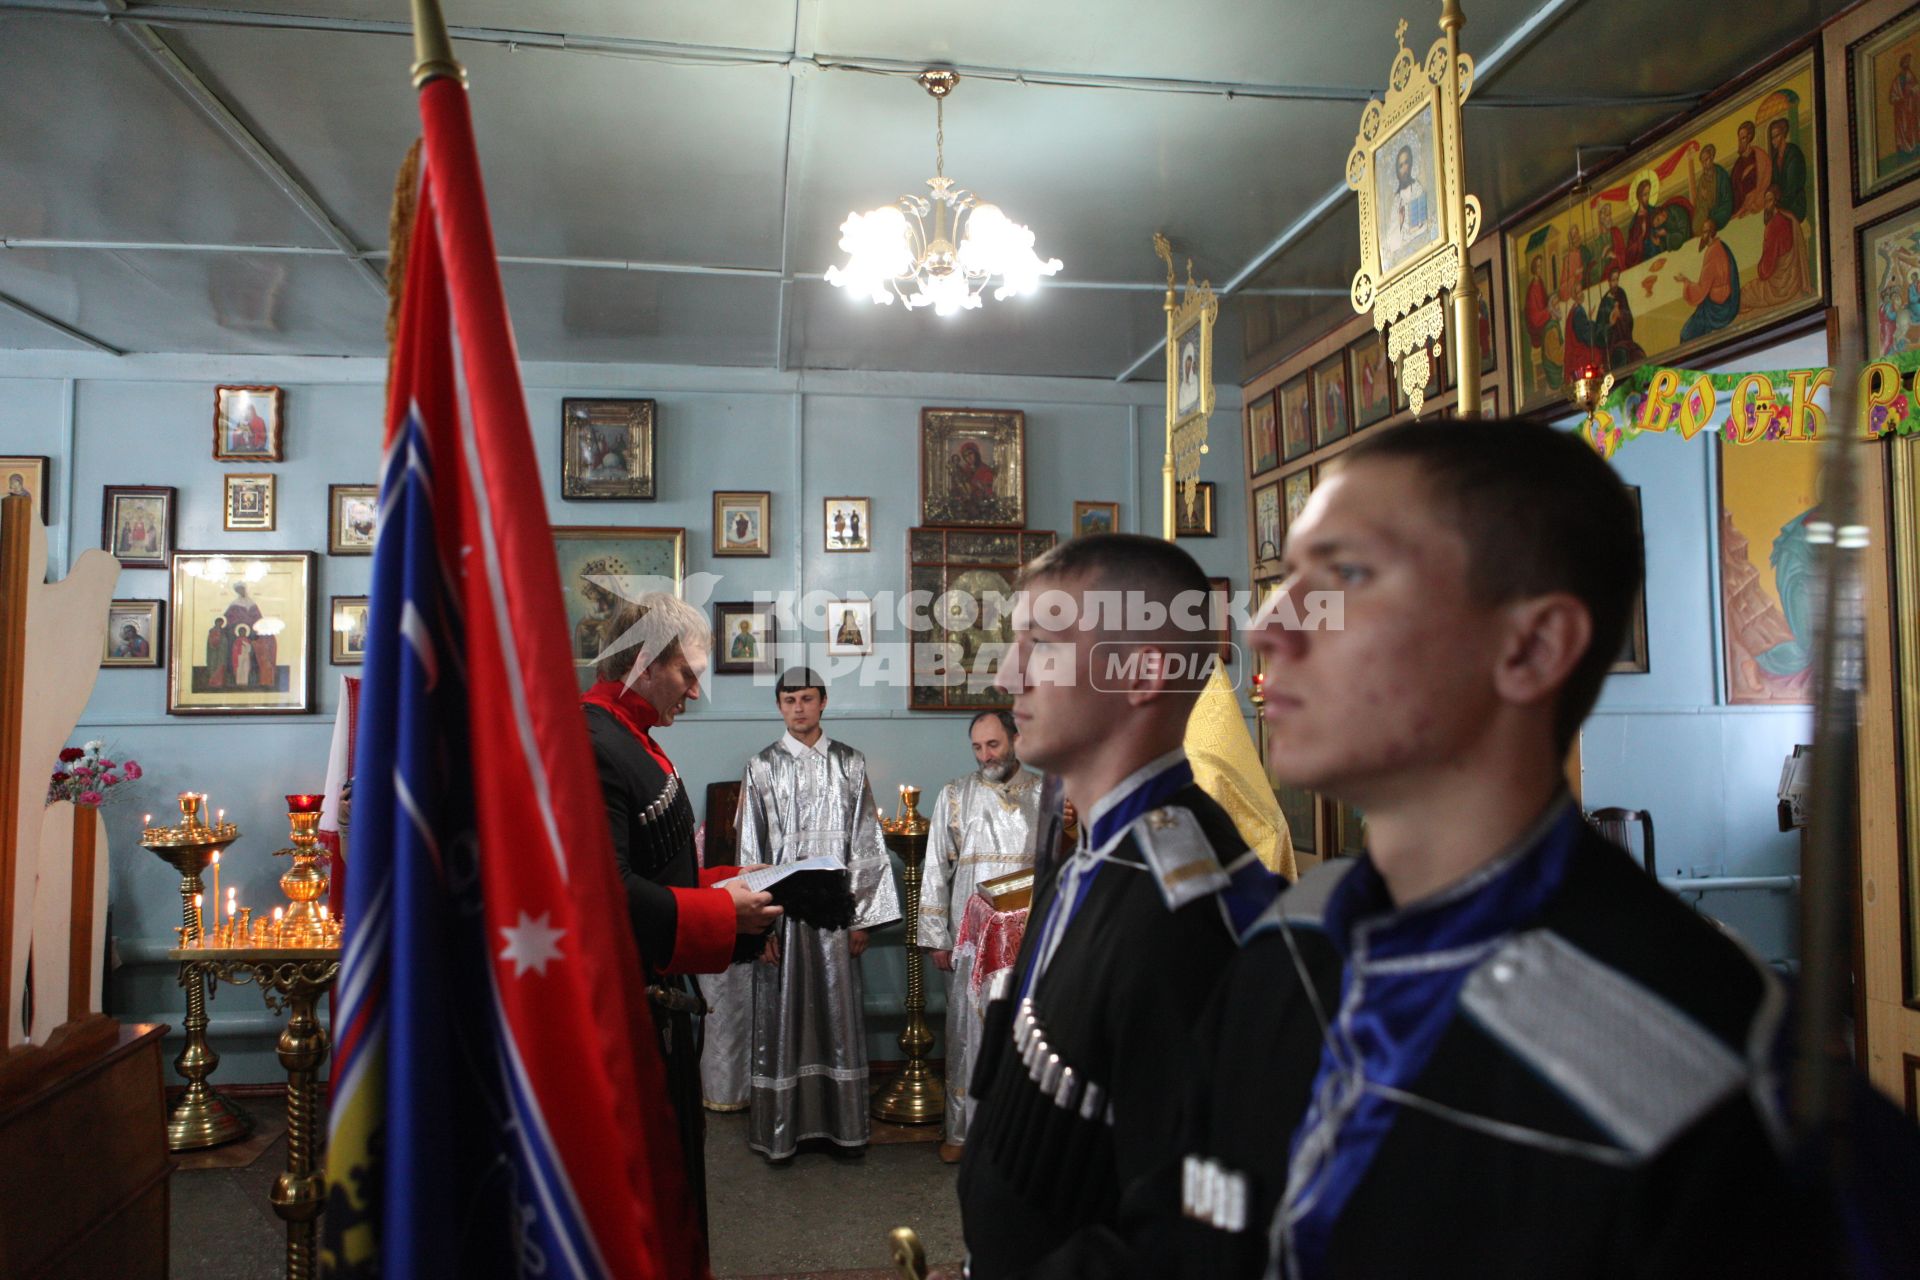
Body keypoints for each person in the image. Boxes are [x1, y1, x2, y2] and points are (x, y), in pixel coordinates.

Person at [1047, 419, 1855, 1279]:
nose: (1268, 627)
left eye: (1347, 576)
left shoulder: (1704, 1080)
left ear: (1530, 647)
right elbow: (1176, 1245)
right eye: (1290, 581)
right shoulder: (1295, 942)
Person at [957, 534, 1280, 1279]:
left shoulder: (1186, 911)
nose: (1007, 674)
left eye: (1038, 645)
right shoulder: (1103, 846)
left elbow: (1188, 1234)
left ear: (1143, 672)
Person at [582, 593, 781, 1254]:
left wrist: (735, 886)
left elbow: (658, 871)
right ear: (642, 661)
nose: (695, 693)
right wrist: (722, 911)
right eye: (687, 674)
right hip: (623, 1009)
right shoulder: (594, 739)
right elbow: (603, 890)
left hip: (659, 998)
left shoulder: (630, 737)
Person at [736, 667, 901, 1161]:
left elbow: (866, 841)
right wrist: (755, 926)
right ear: (779, 706)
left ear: (823, 702)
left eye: (807, 699)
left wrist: (861, 918)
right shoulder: (761, 766)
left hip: (835, 910)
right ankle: (782, 1133)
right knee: (781, 1010)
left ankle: (842, 1130)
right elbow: (751, 847)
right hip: (781, 909)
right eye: (789, 700)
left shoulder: (850, 762)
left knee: (836, 1009)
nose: (798, 708)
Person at [917, 709, 1044, 1163]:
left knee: (1028, 1031)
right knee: (966, 1033)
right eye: (977, 747)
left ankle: (1026, 1134)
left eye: (993, 744)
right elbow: (935, 868)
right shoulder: (955, 794)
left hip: (1029, 937)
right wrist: (937, 936)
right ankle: (963, 1131)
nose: (985, 755)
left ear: (1016, 740)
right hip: (970, 939)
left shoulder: (1048, 794)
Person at [1742, 185, 1813, 314]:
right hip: (1793, 280)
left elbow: (1766, 271)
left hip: (1780, 287)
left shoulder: (1773, 226)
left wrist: (1760, 268)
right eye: (1765, 201)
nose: (1766, 205)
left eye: (1769, 200)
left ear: (1775, 201)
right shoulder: (1787, 217)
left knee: (1744, 293)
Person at [1678, 217, 1742, 342]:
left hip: (1716, 309)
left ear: (1711, 233)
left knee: (1685, 335)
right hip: (1727, 301)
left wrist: (1686, 282)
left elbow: (1701, 291)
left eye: (1705, 232)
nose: (1703, 235)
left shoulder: (1712, 254)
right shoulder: (1721, 245)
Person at [1768, 117, 1809, 223]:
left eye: (1776, 136)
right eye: (1772, 138)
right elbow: (1773, 183)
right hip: (1780, 202)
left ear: (1784, 134)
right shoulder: (1775, 158)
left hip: (1795, 203)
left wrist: (1779, 205)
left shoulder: (1793, 153)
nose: (1774, 141)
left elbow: (1793, 187)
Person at [1731, 119, 1771, 217]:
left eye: (1743, 138)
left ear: (1749, 138)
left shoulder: (1760, 156)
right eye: (1739, 138)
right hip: (1739, 208)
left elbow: (1765, 181)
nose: (1740, 142)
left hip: (1756, 205)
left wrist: (1754, 201)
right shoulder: (1738, 164)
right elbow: (1733, 188)